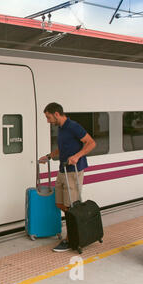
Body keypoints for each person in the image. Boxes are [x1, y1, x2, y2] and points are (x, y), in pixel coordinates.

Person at [39, 102, 96, 252]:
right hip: (63, 169)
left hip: (74, 171)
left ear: (56, 114)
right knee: (60, 204)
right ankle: (75, 229)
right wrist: (49, 156)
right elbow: (63, 147)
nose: (47, 121)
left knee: (72, 207)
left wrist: (77, 156)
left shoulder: (73, 126)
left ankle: (71, 239)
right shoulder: (62, 128)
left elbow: (91, 143)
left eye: (48, 117)